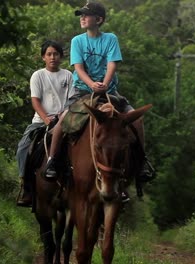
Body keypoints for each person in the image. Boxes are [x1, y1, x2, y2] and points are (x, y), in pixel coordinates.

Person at [43, 2, 154, 202]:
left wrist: (104, 83)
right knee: (63, 119)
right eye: (81, 15)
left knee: (136, 120)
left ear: (99, 20)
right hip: (82, 91)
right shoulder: (78, 41)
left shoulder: (110, 39)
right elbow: (78, 68)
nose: (82, 18)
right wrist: (92, 84)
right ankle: (52, 161)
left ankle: (141, 164)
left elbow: (112, 64)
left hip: (109, 91)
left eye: (87, 15)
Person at [16, 40, 74, 207]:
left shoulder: (68, 75)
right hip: (41, 122)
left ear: (61, 57)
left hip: (63, 120)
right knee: (23, 148)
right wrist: (46, 118)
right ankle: (26, 187)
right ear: (43, 57)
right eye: (49, 54)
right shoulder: (38, 75)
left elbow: (71, 100)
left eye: (56, 54)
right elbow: (35, 101)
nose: (52, 57)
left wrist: (61, 116)